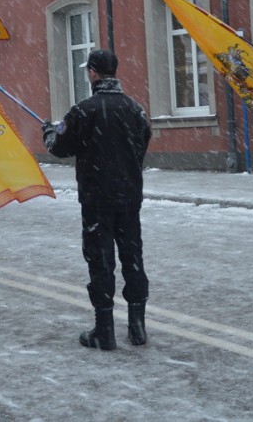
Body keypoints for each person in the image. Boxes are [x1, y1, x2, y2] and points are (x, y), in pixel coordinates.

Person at [42, 49, 152, 350]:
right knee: (133, 259)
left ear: (92, 72)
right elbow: (142, 144)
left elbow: (60, 147)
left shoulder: (82, 111)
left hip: (96, 199)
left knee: (100, 262)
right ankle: (137, 328)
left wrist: (49, 132)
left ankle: (105, 331)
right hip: (129, 198)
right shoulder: (135, 109)